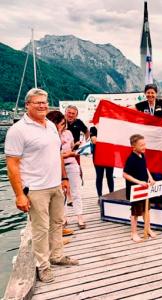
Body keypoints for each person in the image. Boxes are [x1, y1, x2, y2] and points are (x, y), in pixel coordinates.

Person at [5, 88, 78, 283]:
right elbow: (12, 165)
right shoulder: (18, 130)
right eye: (38, 102)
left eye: (45, 102)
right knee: (40, 228)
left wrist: (63, 178)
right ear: (27, 105)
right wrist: (19, 194)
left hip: (55, 185)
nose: (43, 106)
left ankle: (57, 256)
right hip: (35, 188)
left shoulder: (51, 126)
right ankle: (43, 266)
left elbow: (56, 154)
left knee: (57, 223)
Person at [47, 111, 86, 230]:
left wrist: (76, 148)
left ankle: (80, 217)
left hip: (72, 164)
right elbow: (53, 155)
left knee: (76, 192)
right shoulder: (49, 136)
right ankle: (63, 217)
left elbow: (71, 146)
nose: (63, 126)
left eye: (64, 124)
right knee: (61, 194)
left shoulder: (68, 133)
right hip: (57, 167)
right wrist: (68, 154)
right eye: (61, 124)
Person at [123, 134, 156, 242]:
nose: (144, 147)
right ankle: (134, 233)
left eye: (144, 144)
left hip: (144, 188)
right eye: (141, 145)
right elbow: (125, 174)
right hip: (135, 190)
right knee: (135, 212)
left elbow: (145, 168)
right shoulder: (131, 159)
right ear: (134, 147)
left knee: (146, 210)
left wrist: (150, 178)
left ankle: (148, 228)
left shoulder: (142, 155)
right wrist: (139, 182)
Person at [90, 125, 114, 198]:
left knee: (109, 176)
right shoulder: (94, 128)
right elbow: (94, 141)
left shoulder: (111, 127)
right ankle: (100, 196)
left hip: (109, 155)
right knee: (99, 176)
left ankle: (112, 195)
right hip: (98, 156)